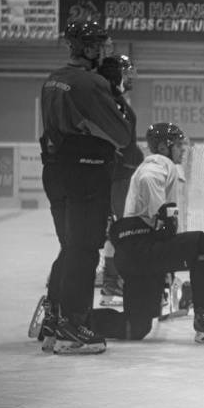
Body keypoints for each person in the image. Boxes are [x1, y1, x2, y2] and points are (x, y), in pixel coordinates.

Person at [36, 19, 132, 355]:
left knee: (69, 247)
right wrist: (115, 93)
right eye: (100, 45)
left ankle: (53, 320)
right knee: (85, 249)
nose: (104, 51)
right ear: (88, 47)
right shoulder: (91, 83)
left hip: (55, 171)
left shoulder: (53, 79)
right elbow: (122, 134)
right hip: (85, 171)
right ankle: (73, 327)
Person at [93, 122, 204, 345]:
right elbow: (148, 179)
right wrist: (162, 213)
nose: (183, 149)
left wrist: (164, 225)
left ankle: (73, 318)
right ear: (162, 147)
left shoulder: (158, 164)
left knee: (136, 327)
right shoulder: (159, 162)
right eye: (178, 145)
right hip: (141, 247)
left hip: (134, 253)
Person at [97, 55, 143, 307]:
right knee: (123, 229)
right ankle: (114, 279)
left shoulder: (113, 100)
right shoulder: (112, 102)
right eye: (126, 73)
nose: (131, 78)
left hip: (119, 176)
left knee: (116, 229)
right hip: (118, 178)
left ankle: (111, 280)